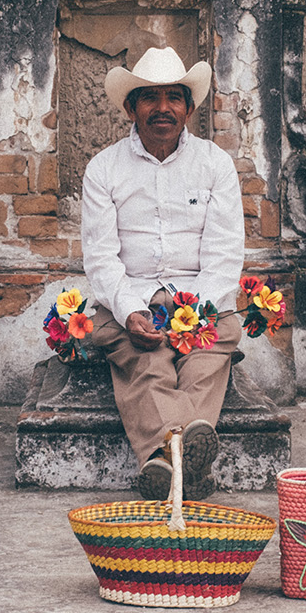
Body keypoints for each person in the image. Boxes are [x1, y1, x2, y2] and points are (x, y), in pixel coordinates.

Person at [81, 46, 244, 501]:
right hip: (129, 296)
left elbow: (225, 251)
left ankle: (165, 457)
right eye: (150, 98)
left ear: (189, 108)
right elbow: (100, 257)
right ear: (131, 107)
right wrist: (132, 310)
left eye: (174, 97)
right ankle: (185, 455)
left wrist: (195, 312)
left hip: (199, 297)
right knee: (147, 359)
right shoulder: (104, 168)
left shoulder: (214, 164)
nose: (163, 108)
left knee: (213, 348)